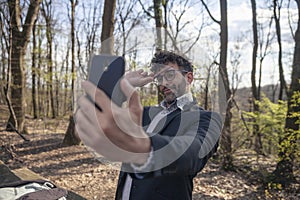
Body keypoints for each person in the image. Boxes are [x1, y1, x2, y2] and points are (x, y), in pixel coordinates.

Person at [75, 50, 222, 200]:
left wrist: (144, 147)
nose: (163, 83)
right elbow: (99, 119)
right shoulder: (144, 113)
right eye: (159, 78)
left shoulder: (207, 118)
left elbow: (193, 154)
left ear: (188, 77)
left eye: (170, 75)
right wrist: (121, 87)